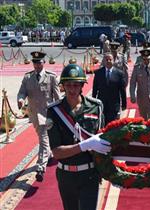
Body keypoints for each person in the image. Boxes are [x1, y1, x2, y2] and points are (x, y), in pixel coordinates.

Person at [47, 64, 111, 210]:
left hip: (89, 174)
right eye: (68, 85)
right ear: (62, 86)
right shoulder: (54, 111)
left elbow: (102, 141)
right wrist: (84, 145)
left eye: (76, 85)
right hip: (66, 175)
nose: (72, 89)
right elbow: (56, 152)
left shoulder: (96, 106)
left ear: (82, 85)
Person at [17, 51, 60, 182]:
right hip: (34, 114)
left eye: (39, 62)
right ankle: (51, 152)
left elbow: (57, 97)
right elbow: (22, 92)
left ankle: (40, 168)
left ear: (43, 63)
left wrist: (61, 113)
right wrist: (20, 100)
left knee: (43, 139)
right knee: (44, 138)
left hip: (48, 114)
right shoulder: (27, 78)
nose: (37, 65)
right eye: (35, 63)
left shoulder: (51, 77)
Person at [92, 53, 127, 125]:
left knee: (113, 126)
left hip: (114, 105)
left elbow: (122, 90)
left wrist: (124, 104)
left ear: (113, 61)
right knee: (102, 124)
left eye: (110, 60)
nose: (108, 61)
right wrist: (93, 103)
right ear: (104, 61)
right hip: (102, 104)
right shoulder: (98, 73)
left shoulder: (119, 73)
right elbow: (95, 89)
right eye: (106, 60)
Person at [130, 48, 150, 120]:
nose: (146, 61)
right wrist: (132, 95)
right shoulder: (137, 68)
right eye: (144, 59)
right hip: (142, 98)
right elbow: (132, 83)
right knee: (143, 120)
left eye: (148, 59)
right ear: (142, 59)